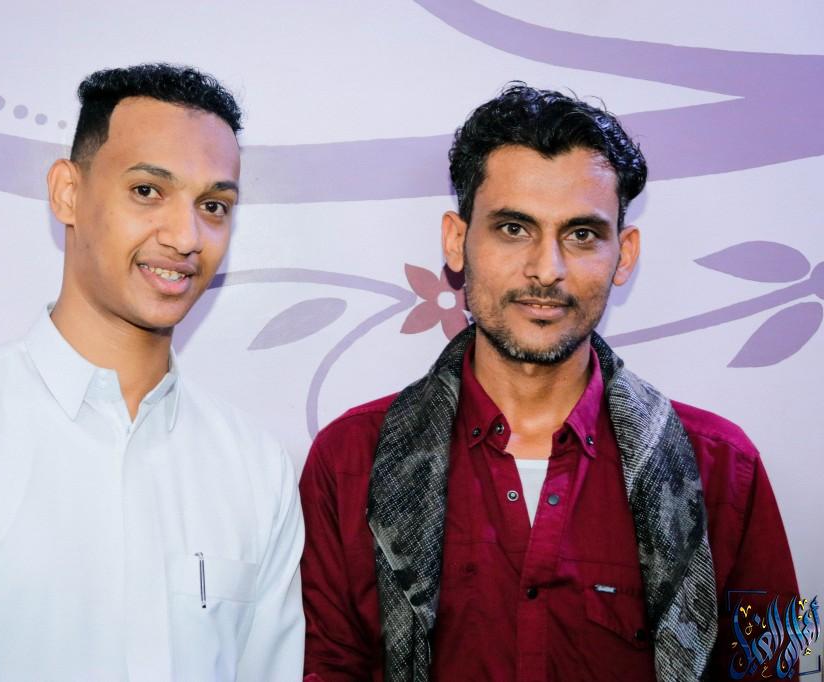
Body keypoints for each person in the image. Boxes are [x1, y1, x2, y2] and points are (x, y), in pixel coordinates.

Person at [0, 63, 304, 681]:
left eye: (213, 205)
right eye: (147, 191)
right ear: (67, 192)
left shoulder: (256, 468)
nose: (186, 236)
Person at [299, 85, 799, 681]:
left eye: (581, 234)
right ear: (457, 241)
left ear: (624, 254)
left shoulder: (726, 467)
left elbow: (782, 667)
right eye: (514, 228)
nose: (546, 269)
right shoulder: (348, 461)